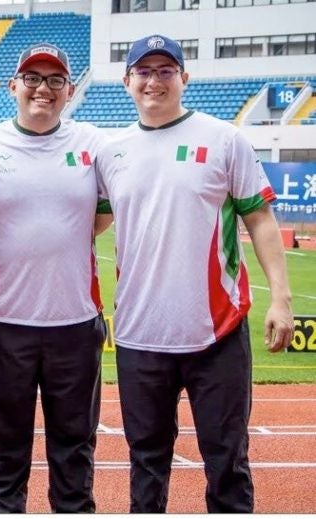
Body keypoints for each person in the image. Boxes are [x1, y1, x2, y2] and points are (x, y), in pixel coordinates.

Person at [95, 34, 294, 513]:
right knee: (146, 462)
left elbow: (260, 219)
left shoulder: (224, 139)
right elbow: (84, 222)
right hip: (141, 336)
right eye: (144, 71)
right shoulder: (110, 151)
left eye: (166, 71)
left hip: (216, 333)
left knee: (226, 461)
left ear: (184, 78)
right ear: (127, 82)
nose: (154, 81)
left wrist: (282, 299)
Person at [0, 43, 107, 513]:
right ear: (14, 86)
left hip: (77, 324)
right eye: (34, 78)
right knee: (8, 448)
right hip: (5, 322)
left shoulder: (94, 145)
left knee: (75, 448)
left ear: (70, 90)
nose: (44, 88)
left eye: (56, 80)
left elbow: (100, 218)